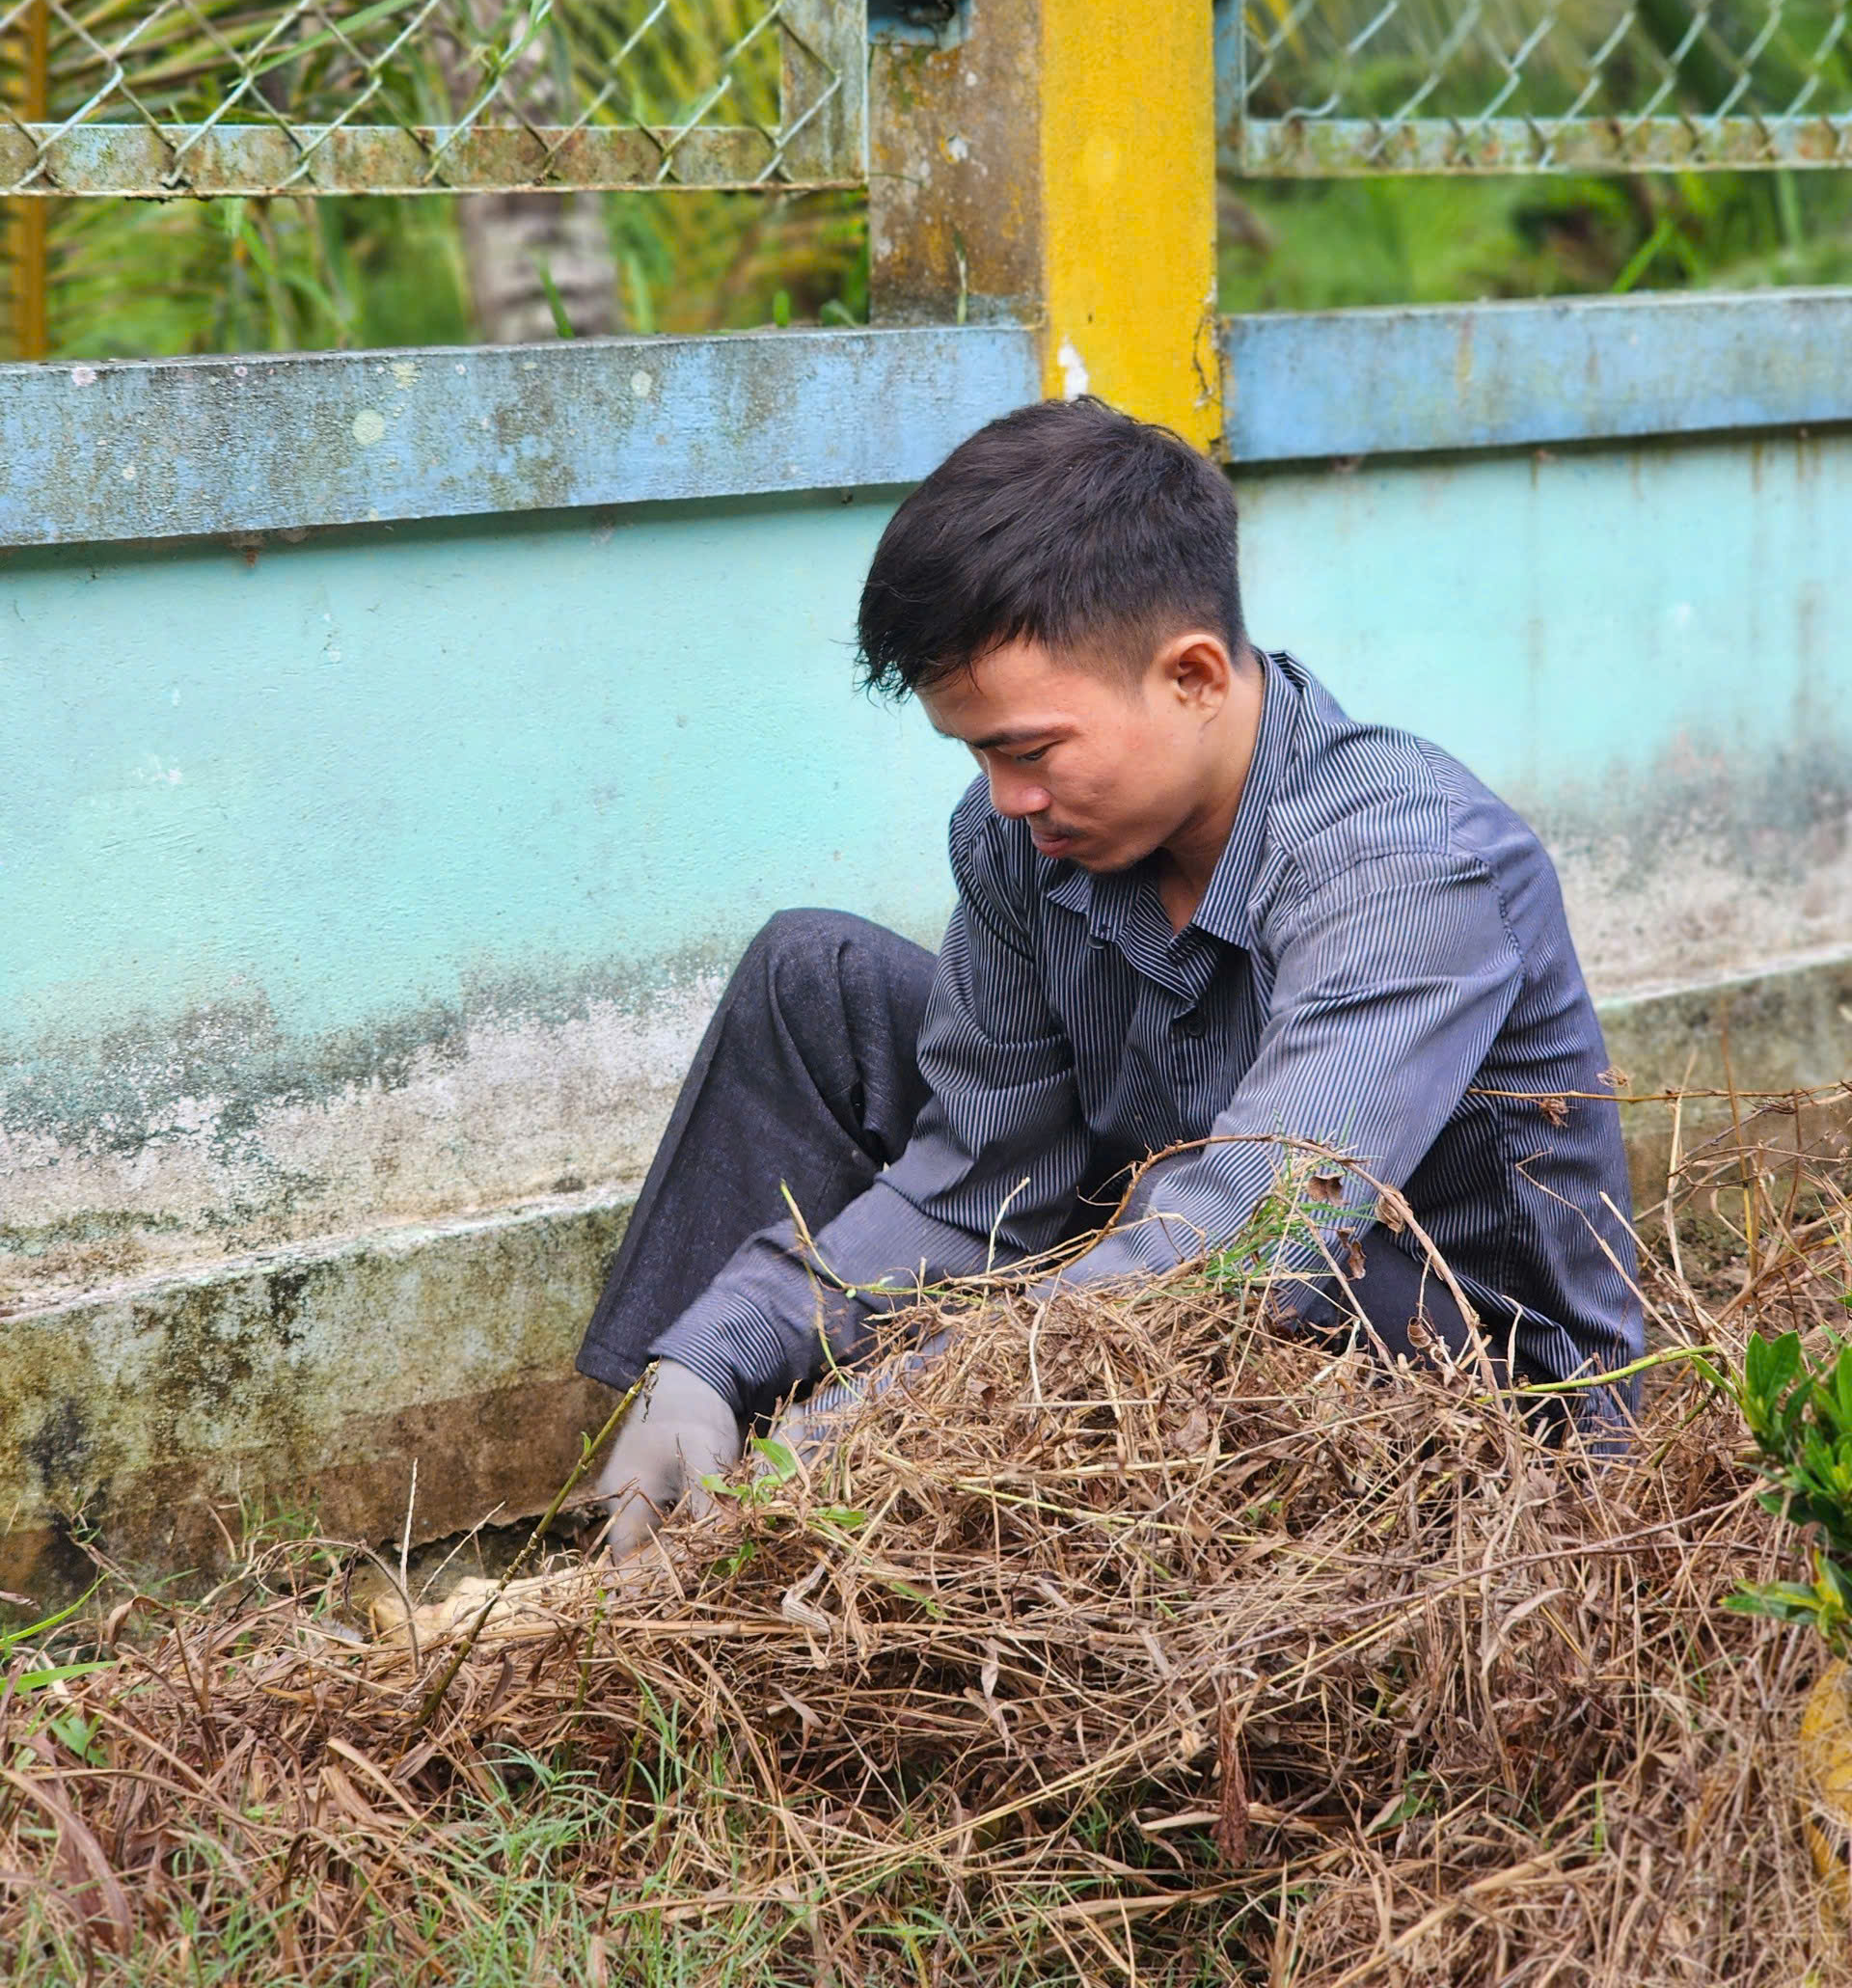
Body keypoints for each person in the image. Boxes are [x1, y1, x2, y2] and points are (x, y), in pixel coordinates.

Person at [577, 397, 1643, 1554]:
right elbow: (978, 1189)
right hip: (1149, 1260)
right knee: (813, 974)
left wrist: (850, 1439)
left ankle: (800, 1522)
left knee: (1213, 1236)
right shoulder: (1018, 846)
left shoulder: (1406, 865)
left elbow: (1244, 1249)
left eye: (1030, 750)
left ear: (1190, 676)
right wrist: (713, 1348)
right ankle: (661, 1491)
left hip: (1458, 1393)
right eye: (978, 753)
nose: (1004, 796)